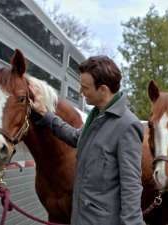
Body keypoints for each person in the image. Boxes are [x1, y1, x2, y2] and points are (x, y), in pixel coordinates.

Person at [30, 56, 144, 225]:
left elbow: (131, 186)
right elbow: (77, 138)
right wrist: (46, 115)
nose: (80, 92)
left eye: (85, 87)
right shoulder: (97, 115)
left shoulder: (127, 125)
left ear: (103, 89)